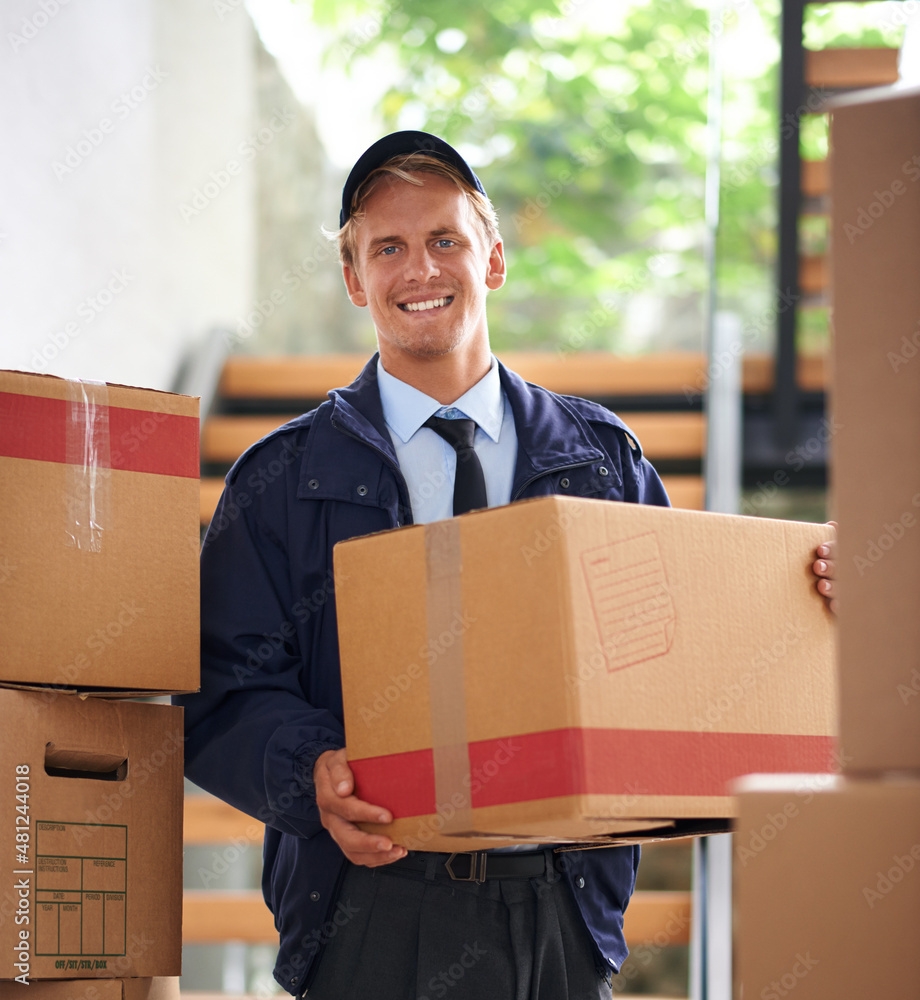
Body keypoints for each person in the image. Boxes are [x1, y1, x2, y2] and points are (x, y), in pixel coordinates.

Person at [179, 131, 838, 999]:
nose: (420, 269)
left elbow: (676, 650)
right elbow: (220, 688)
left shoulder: (601, 461)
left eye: (445, 239)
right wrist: (308, 773)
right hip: (367, 911)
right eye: (389, 248)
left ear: (491, 260)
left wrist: (805, 589)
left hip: (557, 913)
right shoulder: (279, 481)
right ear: (355, 280)